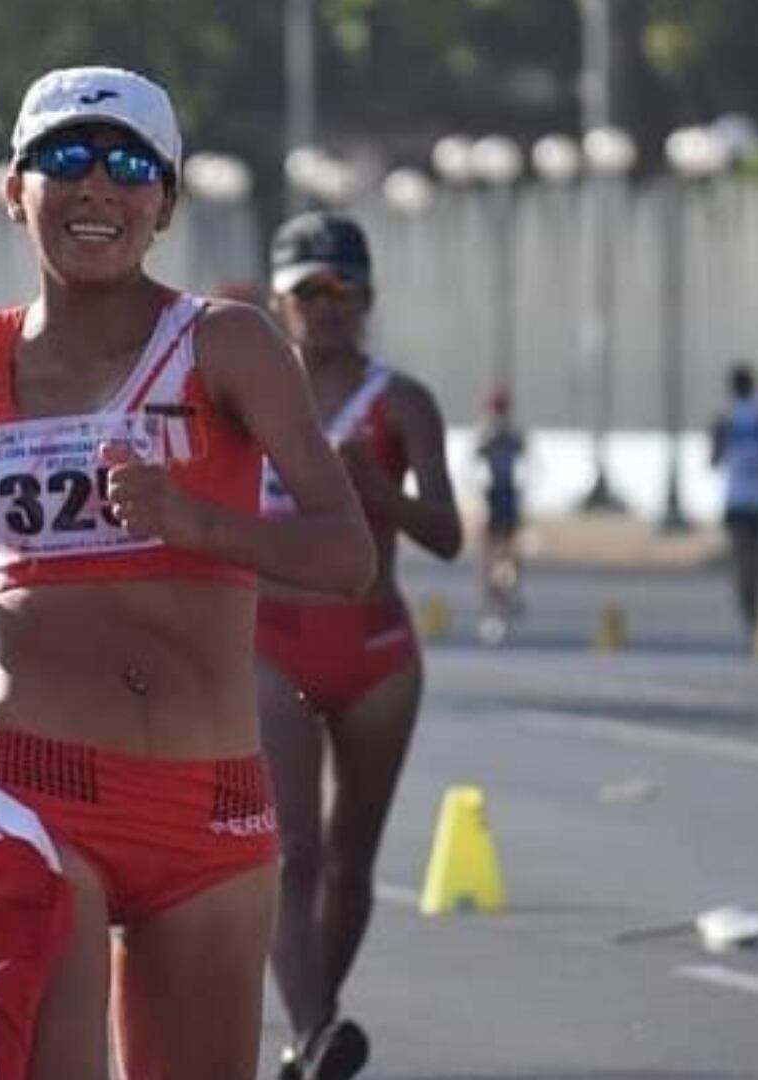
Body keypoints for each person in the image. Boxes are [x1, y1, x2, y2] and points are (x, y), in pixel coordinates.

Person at [0, 66, 374, 1079]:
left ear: (166, 203)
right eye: (63, 158)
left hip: (215, 807)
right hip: (45, 792)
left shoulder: (229, 345)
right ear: (16, 190)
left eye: (130, 164)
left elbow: (346, 554)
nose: (96, 187)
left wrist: (194, 520)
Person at [256, 211, 463, 1080]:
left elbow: (449, 535)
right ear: (281, 300)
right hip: (273, 643)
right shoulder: (247, 394)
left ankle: (316, 1032)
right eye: (309, 291)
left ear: (368, 298)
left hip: (377, 649)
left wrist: (383, 490)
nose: (327, 307)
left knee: (351, 860)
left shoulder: (402, 401)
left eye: (343, 290)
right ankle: (314, 1031)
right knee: (289, 853)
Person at [710, 361, 758, 638]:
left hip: (737, 500)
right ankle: (754, 609)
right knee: (757, 562)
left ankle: (750, 613)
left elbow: (714, 460)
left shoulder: (726, 420)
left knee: (743, 563)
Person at [475, 386, 526, 646]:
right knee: (489, 556)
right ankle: (492, 607)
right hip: (493, 498)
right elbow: (471, 466)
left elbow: (530, 464)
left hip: (506, 498)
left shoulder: (511, 437)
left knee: (507, 555)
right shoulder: (488, 436)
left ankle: (507, 596)